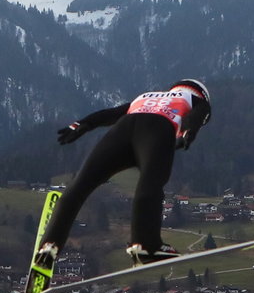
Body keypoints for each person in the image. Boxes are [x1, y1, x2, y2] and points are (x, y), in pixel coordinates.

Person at [36, 79, 212, 267]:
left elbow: (110, 114)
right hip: (157, 129)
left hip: (122, 129)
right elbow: (197, 116)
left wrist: (83, 123)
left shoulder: (146, 96)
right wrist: (188, 133)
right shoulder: (196, 100)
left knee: (81, 185)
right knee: (150, 184)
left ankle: (49, 245)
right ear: (200, 93)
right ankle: (146, 246)